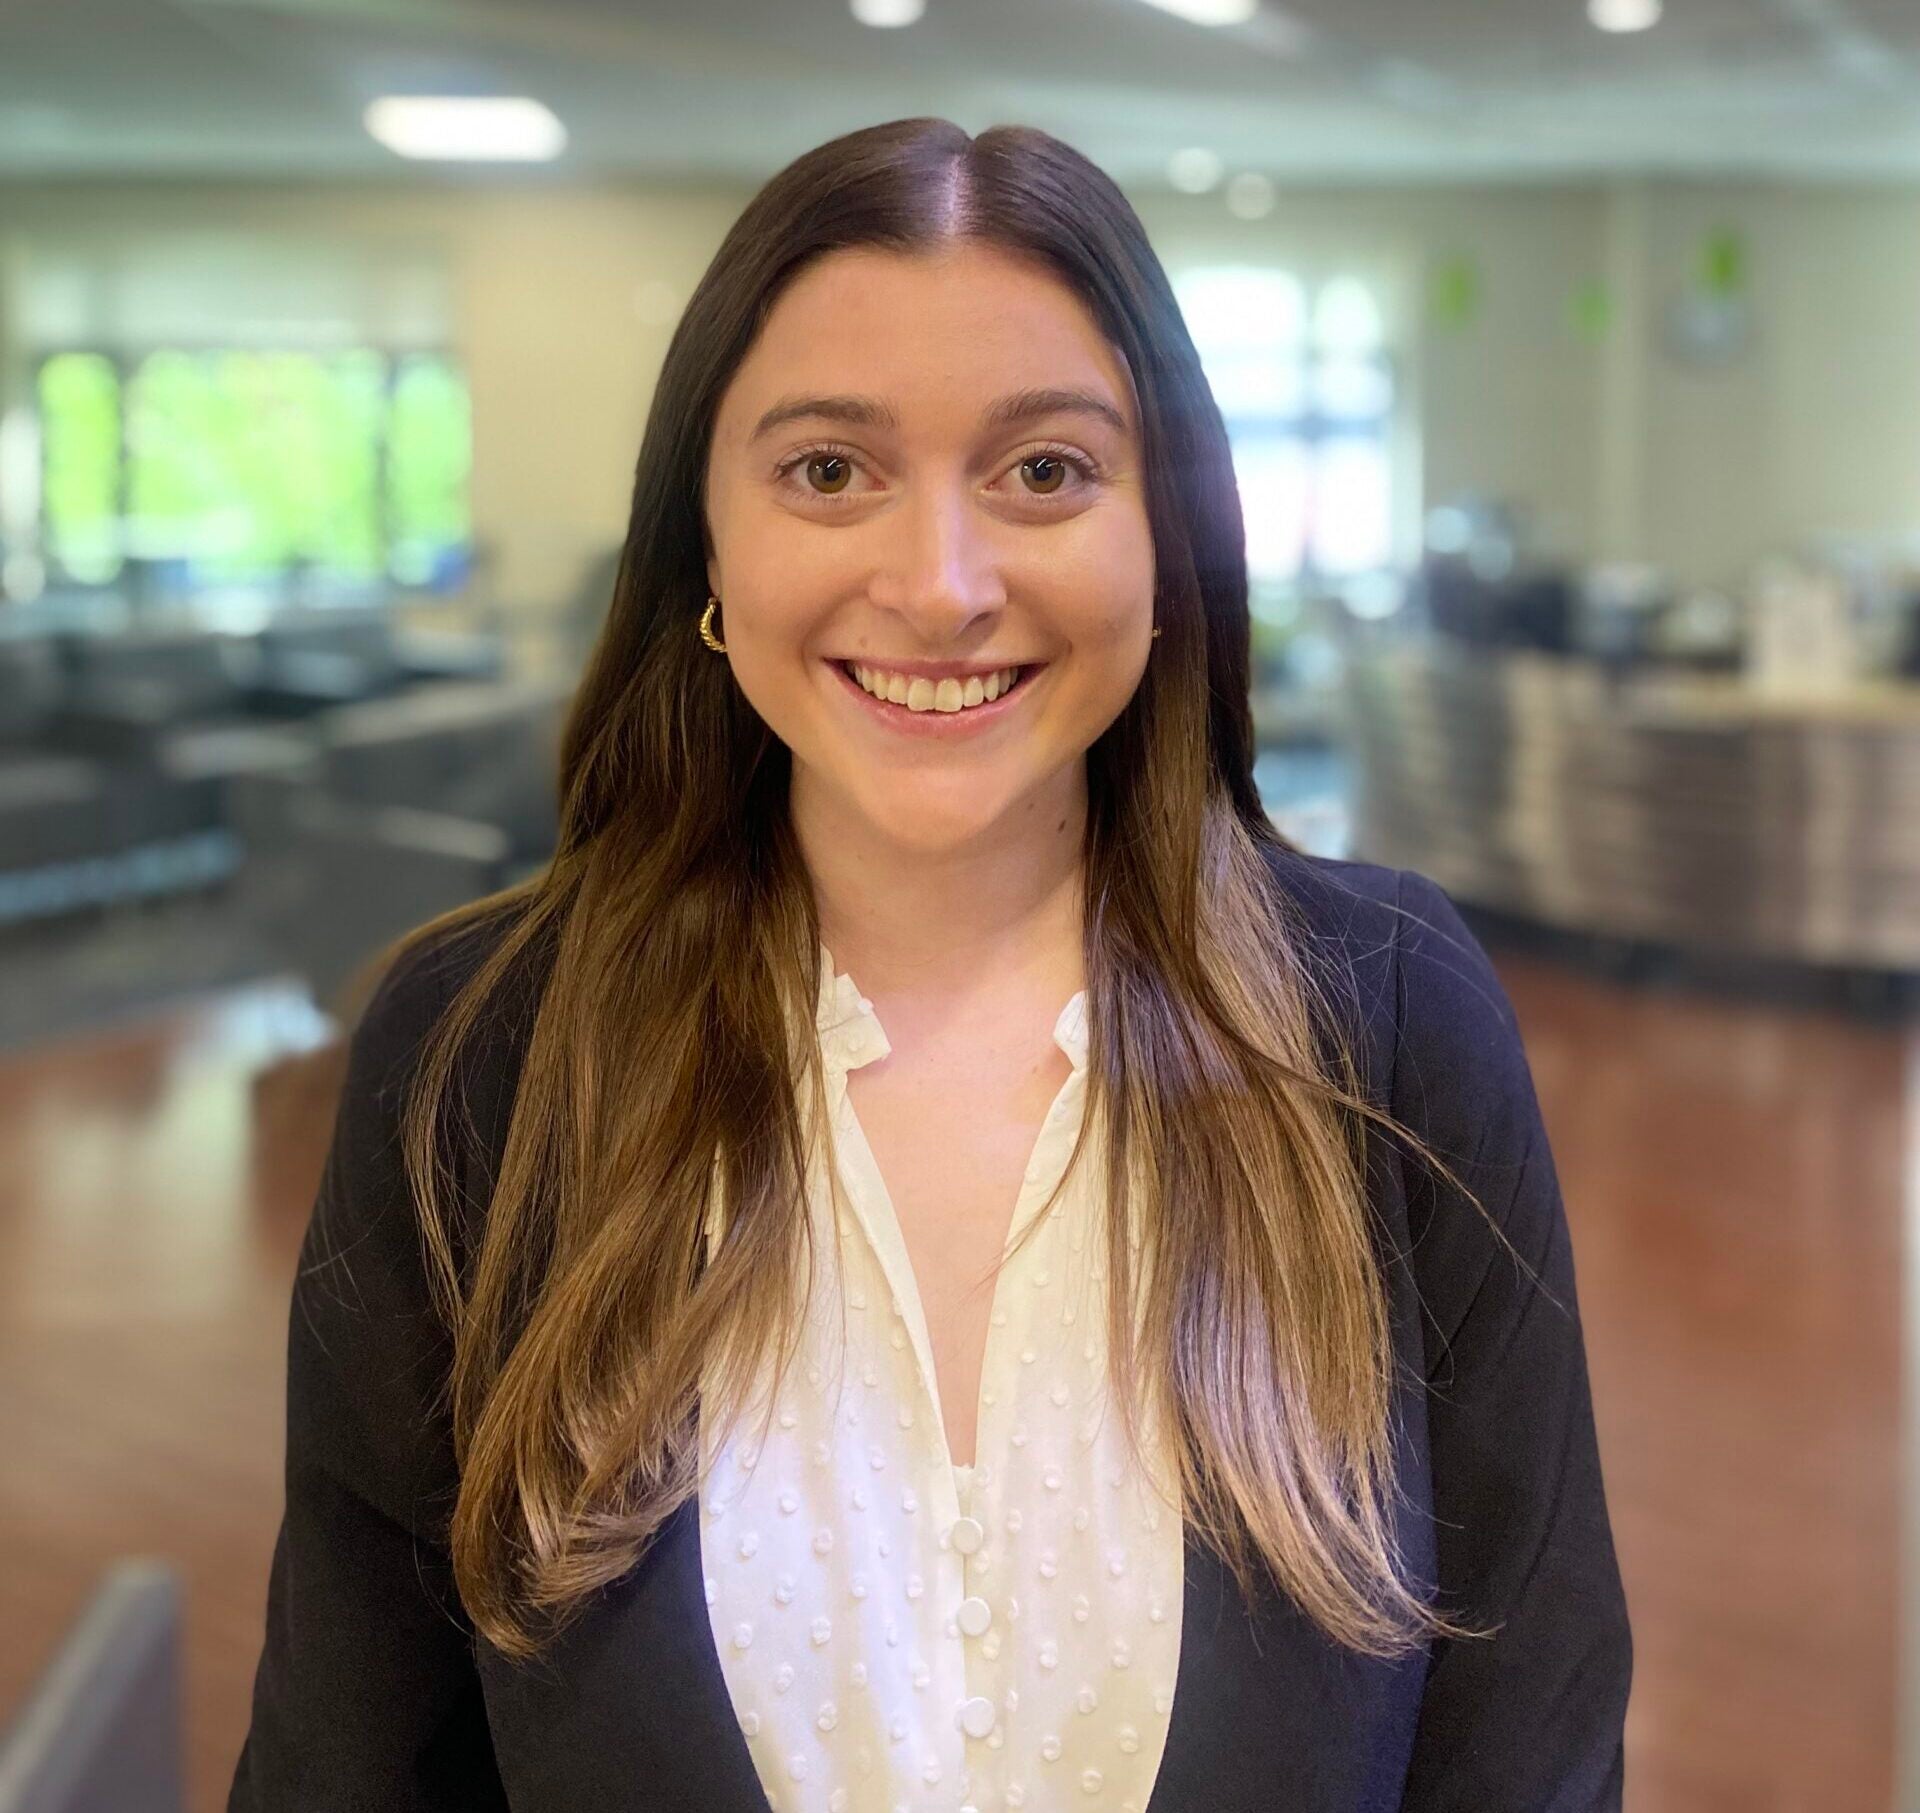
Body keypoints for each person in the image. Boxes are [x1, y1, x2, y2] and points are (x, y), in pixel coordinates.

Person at [228, 116, 1632, 1812]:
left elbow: (1531, 1755)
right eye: (830, 469)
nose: (942, 584)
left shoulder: (1390, 1021)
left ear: (1164, 542)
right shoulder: (476, 1055)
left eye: (1045, 470)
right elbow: (347, 1767)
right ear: (707, 555)